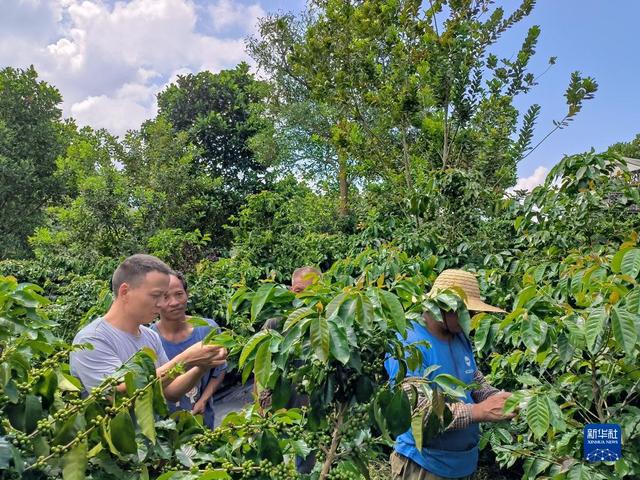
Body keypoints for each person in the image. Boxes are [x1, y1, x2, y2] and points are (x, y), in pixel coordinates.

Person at [384, 269, 515, 480]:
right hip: (425, 466)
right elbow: (419, 412)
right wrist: (479, 412)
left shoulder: (458, 335)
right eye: (467, 312)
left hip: (462, 464)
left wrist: (493, 397)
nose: (470, 319)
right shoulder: (408, 342)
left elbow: (471, 375)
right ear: (444, 307)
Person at [70, 254, 227, 403]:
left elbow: (170, 392)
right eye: (156, 295)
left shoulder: (150, 336)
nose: (161, 304)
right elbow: (117, 396)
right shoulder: (92, 339)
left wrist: (202, 364)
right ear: (125, 292)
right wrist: (187, 359)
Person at [151, 270, 226, 428]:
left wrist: (203, 400)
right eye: (165, 297)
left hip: (201, 421)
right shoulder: (149, 339)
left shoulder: (207, 329)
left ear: (187, 294)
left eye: (179, 294)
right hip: (164, 428)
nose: (174, 302)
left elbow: (218, 371)